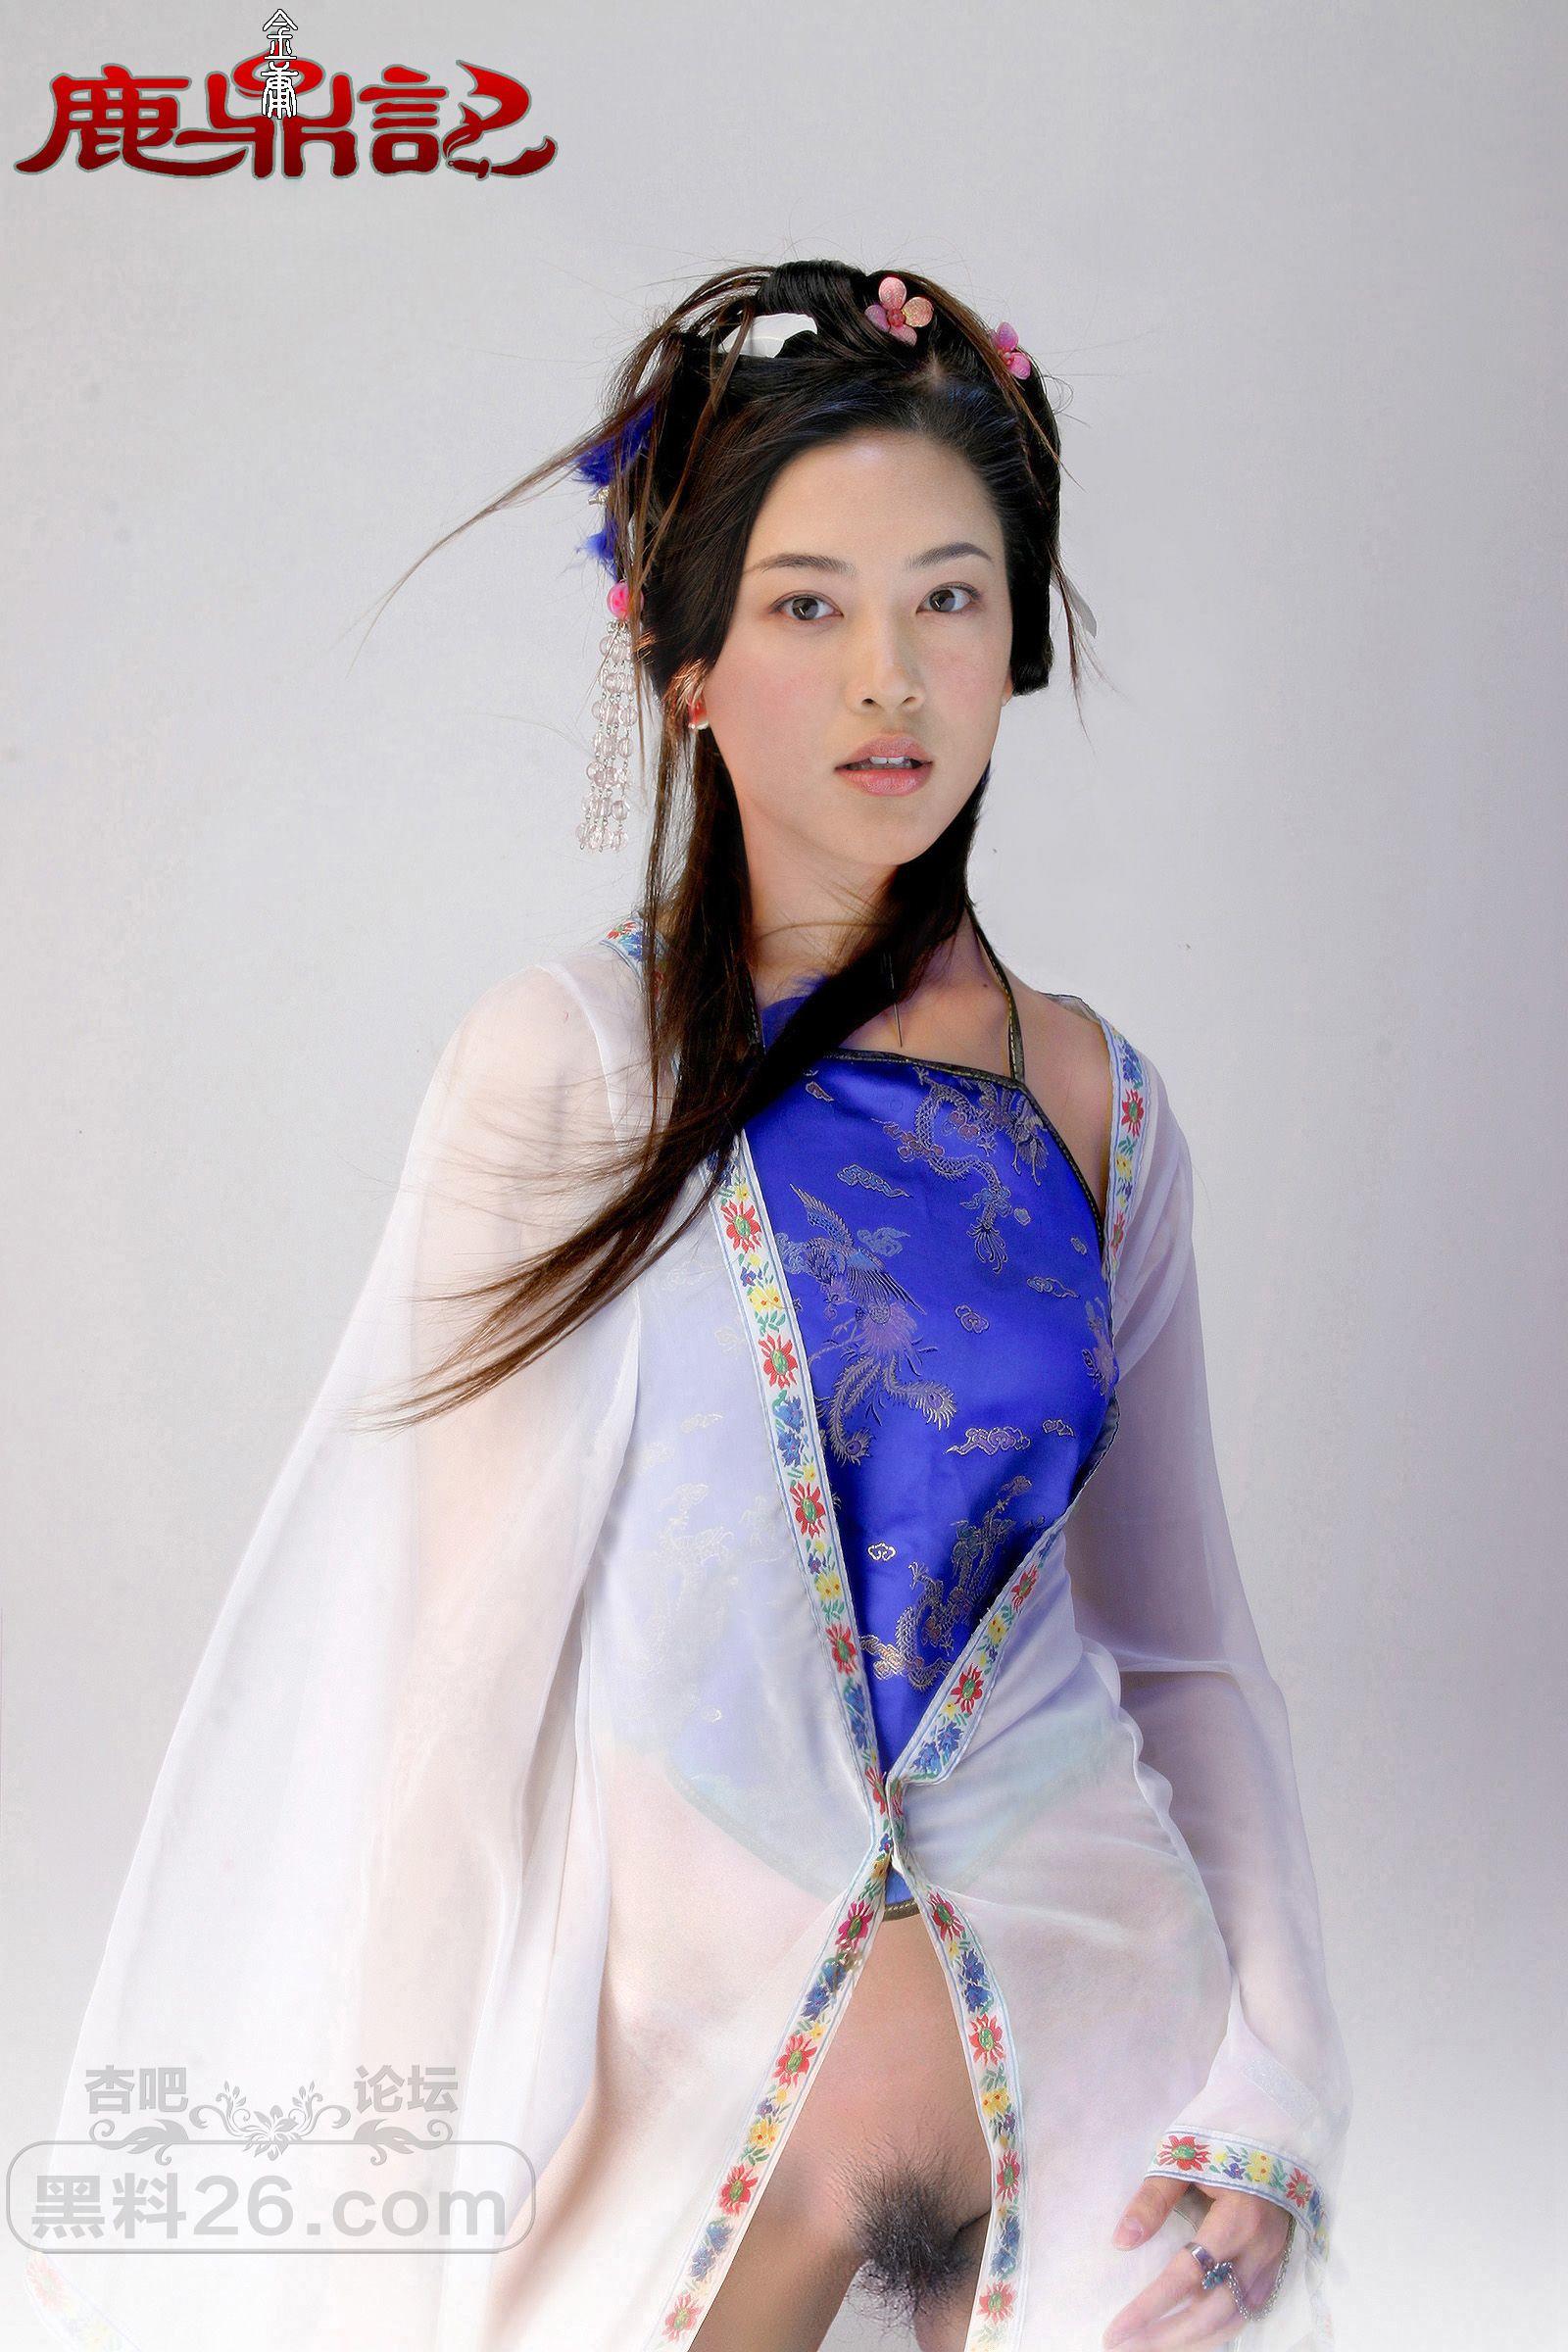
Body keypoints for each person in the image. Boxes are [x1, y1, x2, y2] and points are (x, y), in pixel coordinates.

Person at [25, 260, 1350, 2352]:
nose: (889, 679)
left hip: (1112, 2123)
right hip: (698, 2127)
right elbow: (450, 1735)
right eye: (809, 606)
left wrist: (1279, 2093)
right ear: (689, 665)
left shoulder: (1093, 1103)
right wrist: (380, 2253)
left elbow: (1185, 1661)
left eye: (950, 599)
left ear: (1019, 643)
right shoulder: (571, 1072)